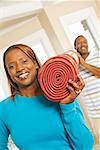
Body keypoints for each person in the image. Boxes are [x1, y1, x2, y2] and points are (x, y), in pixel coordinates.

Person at [0, 44, 94, 150]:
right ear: (9, 74)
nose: (19, 68)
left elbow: (85, 146)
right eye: (11, 66)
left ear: (35, 63)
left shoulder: (62, 95)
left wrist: (67, 105)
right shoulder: (4, 109)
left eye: (24, 61)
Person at [74, 35, 100, 143]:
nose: (82, 44)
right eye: (79, 43)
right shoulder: (74, 65)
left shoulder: (98, 56)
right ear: (75, 47)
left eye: (84, 42)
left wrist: (83, 64)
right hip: (93, 113)